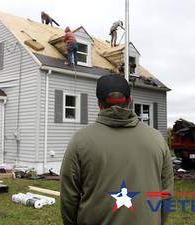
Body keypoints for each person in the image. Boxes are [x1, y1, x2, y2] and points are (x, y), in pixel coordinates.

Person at [60, 74, 174, 225]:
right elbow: (166, 194)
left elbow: (69, 197)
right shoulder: (157, 139)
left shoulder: (80, 141)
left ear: (99, 104)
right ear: (130, 100)